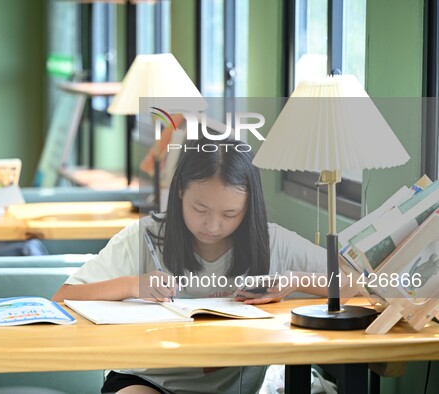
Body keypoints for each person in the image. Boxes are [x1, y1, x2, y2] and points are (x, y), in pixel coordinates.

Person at [52, 136, 328, 394]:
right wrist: (132, 285)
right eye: (200, 209)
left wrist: (295, 281)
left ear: (249, 205)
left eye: (230, 213)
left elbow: (359, 283)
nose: (212, 226)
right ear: (181, 190)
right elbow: (62, 298)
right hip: (148, 380)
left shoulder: (271, 241)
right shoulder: (145, 237)